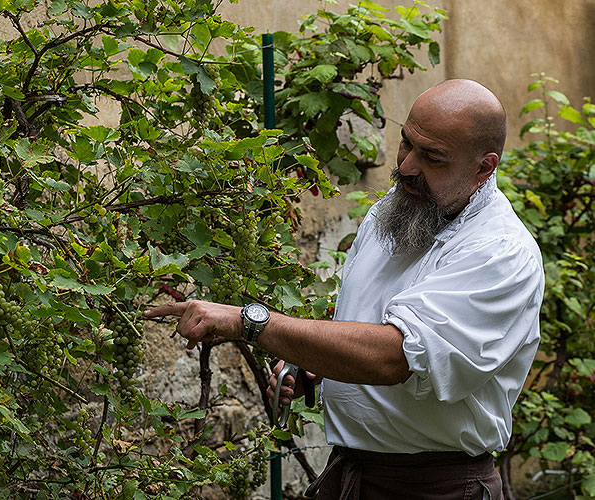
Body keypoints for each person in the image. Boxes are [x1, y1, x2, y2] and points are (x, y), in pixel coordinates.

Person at [144, 79, 544, 500]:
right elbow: (366, 328)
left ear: (484, 167)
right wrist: (312, 368)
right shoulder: (398, 208)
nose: (407, 166)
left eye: (433, 157)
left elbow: (395, 356)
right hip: (352, 475)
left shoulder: (499, 251)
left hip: (435, 487)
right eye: (406, 143)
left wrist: (252, 321)